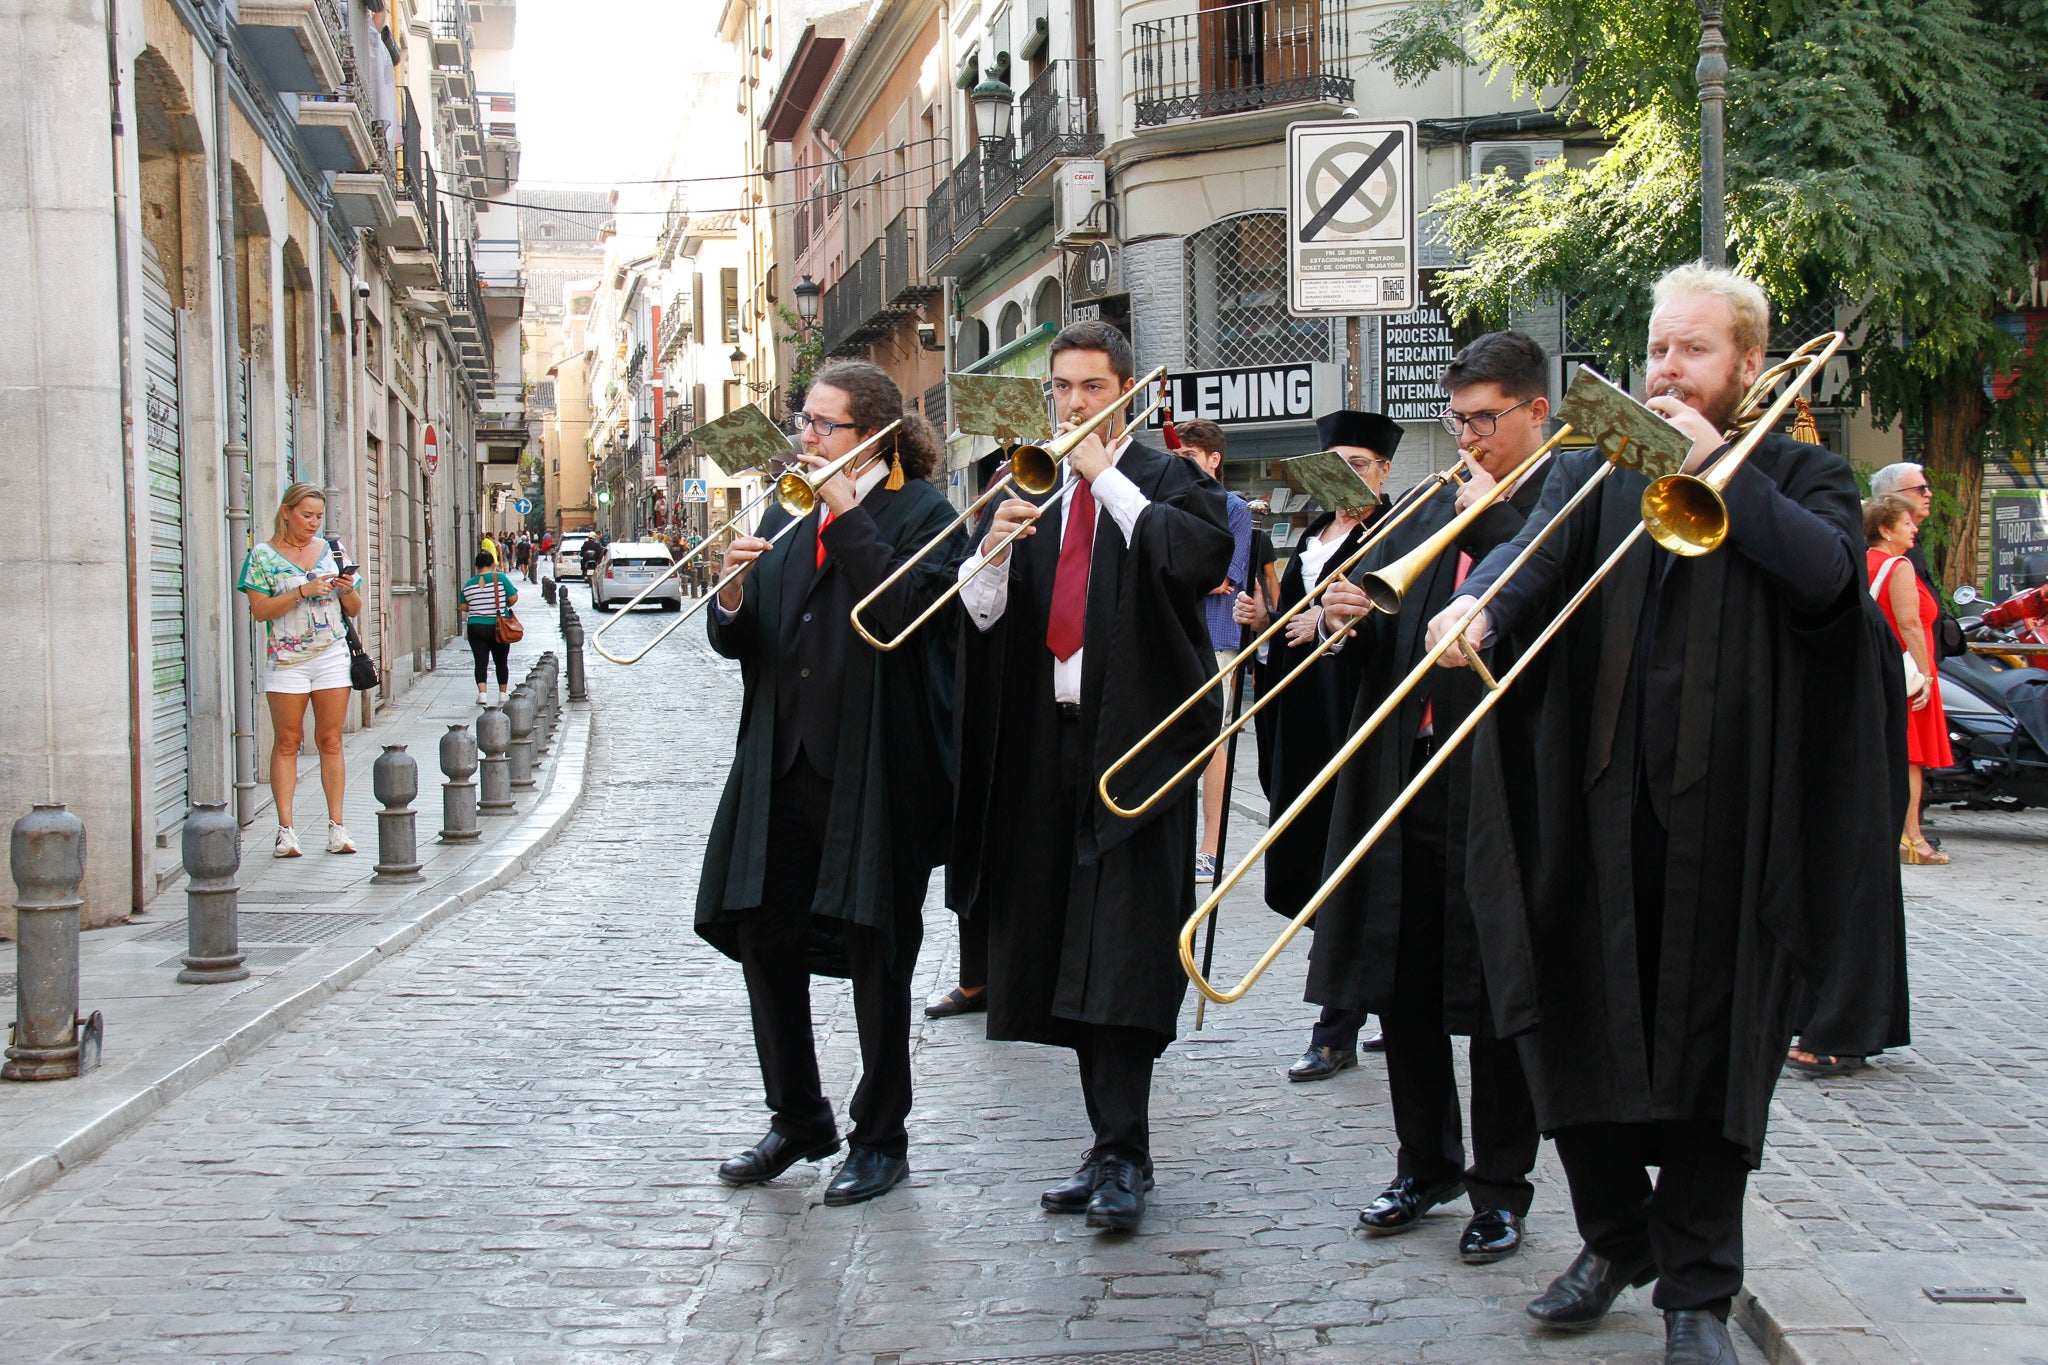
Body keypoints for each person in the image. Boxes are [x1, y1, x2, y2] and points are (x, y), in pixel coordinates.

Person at [1427, 265, 1898, 1365]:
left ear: (1744, 363)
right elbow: (1526, 560)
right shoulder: (1595, 464)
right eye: (1656, 350)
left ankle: (1695, 1287)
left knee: (1708, 1061)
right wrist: (1476, 607)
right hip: (1587, 812)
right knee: (1569, 1028)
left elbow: (1830, 584)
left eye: (1691, 352)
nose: (1665, 371)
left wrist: (1713, 469)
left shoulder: (1802, 472)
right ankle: (1612, 1238)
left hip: (1728, 833)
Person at [951, 321, 1232, 1232]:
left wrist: (1102, 474)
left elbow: (1193, 559)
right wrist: (990, 555)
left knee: (1122, 950)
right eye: (1062, 389)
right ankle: (1108, 1143)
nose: (1073, 405)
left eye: (1090, 388)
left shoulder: (1164, 478)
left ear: (1127, 395)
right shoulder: (1025, 487)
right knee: (1066, 948)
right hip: (1047, 746)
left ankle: (1124, 1152)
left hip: (1136, 746)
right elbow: (986, 620)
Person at [1310, 335, 1555, 1265]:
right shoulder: (1424, 509)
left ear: (1537, 412)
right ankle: (1427, 1162)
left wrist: (1484, 524)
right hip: (1402, 773)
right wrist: (1349, 619)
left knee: (1494, 988)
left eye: (1485, 420)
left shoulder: (1557, 501)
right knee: (1399, 977)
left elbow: (1535, 617)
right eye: (1457, 421)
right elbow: (1392, 634)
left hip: (1499, 783)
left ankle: (1502, 1185)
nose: (1469, 440)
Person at [697, 359, 964, 1207]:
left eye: (822, 425)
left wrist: (847, 510)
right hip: (781, 761)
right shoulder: (784, 509)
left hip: (874, 767)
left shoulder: (924, 513)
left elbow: (896, 617)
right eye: (802, 420)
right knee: (762, 936)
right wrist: (732, 594)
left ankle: (881, 1135)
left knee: (875, 950)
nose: (803, 438)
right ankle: (798, 1114)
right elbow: (749, 640)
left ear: (874, 434)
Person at [1236, 411, 1401, 1082]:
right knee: (1311, 861)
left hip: (1356, 717)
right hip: (1305, 721)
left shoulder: (1394, 531)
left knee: (1348, 867)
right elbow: (1291, 637)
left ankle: (1335, 1025)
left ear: (1385, 470)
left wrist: (1329, 620)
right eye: (1334, 461)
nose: (1346, 474)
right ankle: (1389, 999)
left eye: (1359, 463)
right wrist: (1269, 626)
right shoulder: (1308, 536)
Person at [237, 481, 364, 858]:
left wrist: (344, 588)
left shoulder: (332, 551)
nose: (313, 523)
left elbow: (354, 608)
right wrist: (300, 593)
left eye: (319, 516)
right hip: (287, 660)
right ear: (287, 512)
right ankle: (286, 831)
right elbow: (259, 611)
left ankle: (337, 828)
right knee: (288, 741)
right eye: (306, 515)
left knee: (331, 740)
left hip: (331, 657)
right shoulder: (262, 556)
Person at [1174, 420, 1253, 883]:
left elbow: (1227, 577)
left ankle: (1210, 848)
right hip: (1176, 634)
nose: (1182, 462)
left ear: (1213, 459)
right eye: (1178, 455)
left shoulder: (1233, 508)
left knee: (1215, 740)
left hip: (1217, 637)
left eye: (1190, 455)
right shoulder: (1170, 502)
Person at [1867, 494, 1951, 861]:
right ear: (1886, 530)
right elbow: (1910, 623)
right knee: (1909, 759)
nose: (1914, 529)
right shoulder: (1897, 566)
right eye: (1906, 523)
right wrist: (1927, 674)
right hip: (1906, 673)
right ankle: (1912, 839)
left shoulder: (1862, 561)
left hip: (1877, 670)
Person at [1870, 462, 1967, 660]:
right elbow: (1909, 623)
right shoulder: (1894, 556)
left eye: (1928, 488)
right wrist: (1924, 674)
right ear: (1893, 497)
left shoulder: (1907, 545)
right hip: (1909, 666)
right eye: (1920, 489)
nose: (1928, 494)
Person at [461, 551, 520, 706]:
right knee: (501, 660)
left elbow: (463, 606)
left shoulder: (468, 584)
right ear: (493, 564)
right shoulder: (500, 578)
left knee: (480, 661)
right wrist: (504, 605)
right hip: (497, 626)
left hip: (476, 626)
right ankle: (502, 693)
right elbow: (513, 597)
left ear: (476, 566)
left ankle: (482, 694)